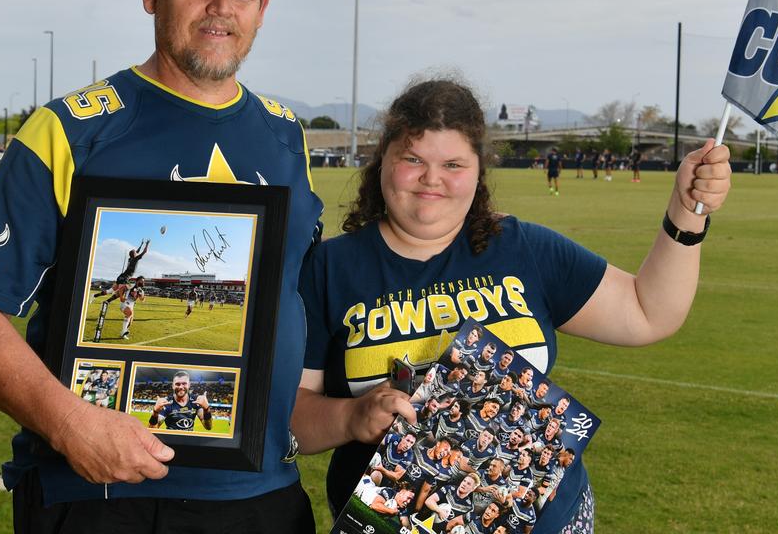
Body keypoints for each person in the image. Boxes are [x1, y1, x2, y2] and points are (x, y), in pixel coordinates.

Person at [0, 0, 322, 533]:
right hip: (102, 498)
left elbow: (296, 301)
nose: (221, 7)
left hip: (262, 494)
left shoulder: (285, 135)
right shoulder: (71, 129)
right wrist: (70, 422)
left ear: (262, 10)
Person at [293, 78, 731, 532]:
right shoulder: (328, 268)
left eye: (453, 164)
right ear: (382, 159)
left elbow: (647, 313)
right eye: (412, 159)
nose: (431, 178)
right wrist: (351, 417)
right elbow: (290, 418)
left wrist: (686, 212)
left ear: (479, 170)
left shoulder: (524, 251)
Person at [149, 371, 213, 432]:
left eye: (184, 383)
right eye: (177, 384)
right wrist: (155, 412)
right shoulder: (166, 403)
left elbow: (208, 427)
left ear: (189, 385)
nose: (181, 387)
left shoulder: (196, 401)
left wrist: (206, 409)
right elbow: (152, 429)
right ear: (173, 386)